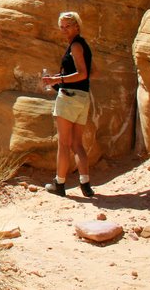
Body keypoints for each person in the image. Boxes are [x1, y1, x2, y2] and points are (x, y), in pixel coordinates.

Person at [41, 11, 94, 197]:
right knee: (77, 144)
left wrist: (57, 81)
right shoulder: (83, 45)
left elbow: (82, 74)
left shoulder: (76, 46)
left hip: (69, 97)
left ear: (77, 26)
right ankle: (85, 183)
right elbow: (89, 73)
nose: (64, 30)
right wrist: (59, 78)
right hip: (82, 97)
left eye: (68, 26)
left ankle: (59, 184)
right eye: (62, 27)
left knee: (64, 144)